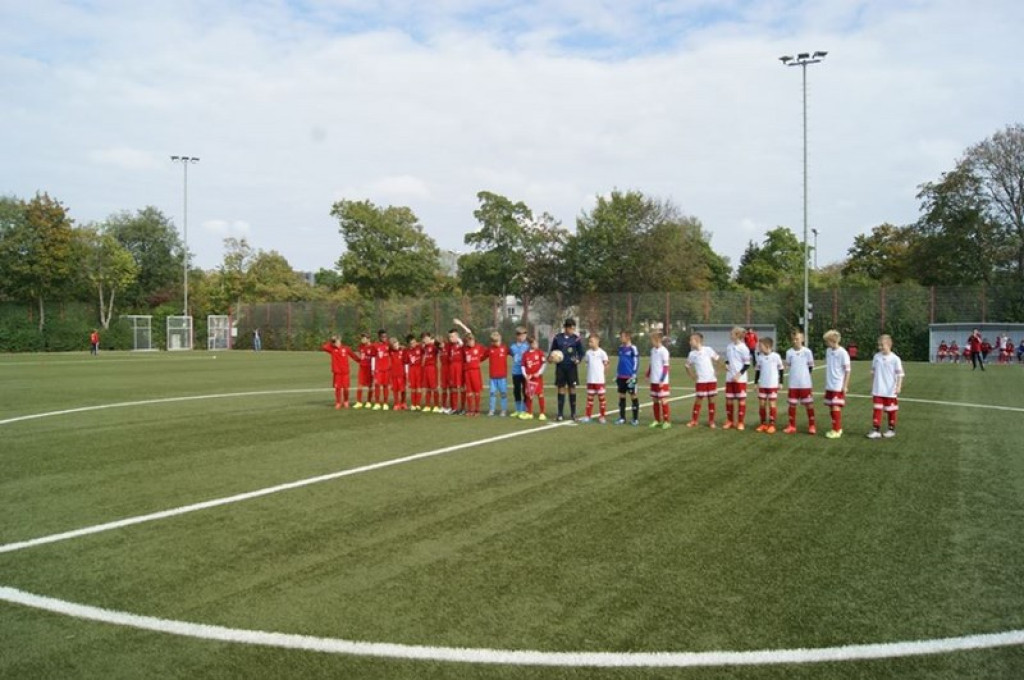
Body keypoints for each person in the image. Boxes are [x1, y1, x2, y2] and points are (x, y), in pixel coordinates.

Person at [867, 334, 904, 439]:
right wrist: (872, 385)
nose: (880, 347)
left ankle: (891, 429)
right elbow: (873, 372)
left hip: (890, 390)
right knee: (877, 409)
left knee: (891, 410)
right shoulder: (876, 357)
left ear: (889, 344)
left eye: (882, 345)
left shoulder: (895, 359)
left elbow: (900, 374)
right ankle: (876, 430)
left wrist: (898, 386)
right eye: (879, 345)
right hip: (878, 389)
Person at [550, 318, 585, 422]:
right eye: (571, 328)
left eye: (574, 328)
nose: (572, 330)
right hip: (560, 367)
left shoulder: (576, 339)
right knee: (561, 388)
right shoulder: (557, 338)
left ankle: (573, 413)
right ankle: (560, 414)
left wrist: (578, 359)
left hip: (571, 368)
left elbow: (581, 352)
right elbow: (552, 351)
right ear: (566, 327)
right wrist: (551, 358)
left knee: (572, 388)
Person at [784, 330, 816, 435]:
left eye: (797, 339)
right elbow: (788, 366)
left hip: (805, 384)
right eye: (793, 339)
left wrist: (805, 377)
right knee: (792, 405)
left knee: (809, 404)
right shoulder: (789, 352)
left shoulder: (807, 352)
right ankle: (792, 425)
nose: (795, 341)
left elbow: (811, 367)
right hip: (793, 384)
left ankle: (812, 425)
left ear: (802, 339)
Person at [685, 331, 719, 428]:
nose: (690, 342)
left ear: (697, 340)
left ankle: (711, 421)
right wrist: (692, 376)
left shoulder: (708, 350)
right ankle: (694, 420)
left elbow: (717, 359)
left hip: (711, 380)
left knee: (711, 400)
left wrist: (717, 370)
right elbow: (687, 366)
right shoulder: (691, 354)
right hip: (701, 381)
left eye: (691, 340)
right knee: (698, 400)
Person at [822, 329, 852, 439]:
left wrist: (845, 385)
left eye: (827, 341)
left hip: (837, 385)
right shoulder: (828, 351)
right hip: (829, 384)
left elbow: (848, 370)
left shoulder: (843, 353)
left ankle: (837, 429)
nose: (826, 344)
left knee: (835, 407)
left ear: (833, 341)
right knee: (831, 407)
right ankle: (835, 427)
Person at [723, 326, 752, 431]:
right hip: (730, 377)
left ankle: (740, 422)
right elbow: (727, 360)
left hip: (740, 379)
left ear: (737, 335)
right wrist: (726, 364)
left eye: (732, 333)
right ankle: (730, 421)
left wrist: (738, 375)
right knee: (729, 400)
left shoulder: (744, 348)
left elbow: (747, 364)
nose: (730, 335)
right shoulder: (729, 346)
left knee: (741, 400)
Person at [754, 337, 784, 434]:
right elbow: (757, 371)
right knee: (762, 404)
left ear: (767, 346)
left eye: (760, 346)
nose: (759, 347)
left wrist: (781, 382)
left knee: (772, 404)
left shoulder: (776, 356)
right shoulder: (760, 357)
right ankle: (763, 424)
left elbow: (781, 369)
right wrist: (755, 383)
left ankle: (771, 425)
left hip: (772, 385)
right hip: (763, 384)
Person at [580, 333, 610, 424]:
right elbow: (587, 363)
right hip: (590, 380)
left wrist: (603, 373)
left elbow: (607, 364)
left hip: (599, 380)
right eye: (589, 342)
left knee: (602, 399)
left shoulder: (602, 353)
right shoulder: (588, 353)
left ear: (597, 341)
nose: (590, 343)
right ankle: (588, 416)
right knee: (589, 399)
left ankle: (602, 416)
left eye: (591, 341)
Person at [321, 335, 355, 409]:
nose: (336, 343)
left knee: (346, 388)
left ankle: (346, 401)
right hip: (337, 373)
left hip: (345, 372)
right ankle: (338, 402)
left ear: (340, 341)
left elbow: (353, 356)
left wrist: (361, 361)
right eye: (335, 342)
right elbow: (323, 347)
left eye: (337, 341)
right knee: (338, 389)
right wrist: (331, 341)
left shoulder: (346, 348)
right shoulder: (332, 349)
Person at [647, 331, 672, 429]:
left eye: (652, 340)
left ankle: (666, 421)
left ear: (657, 340)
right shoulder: (652, 350)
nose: (651, 342)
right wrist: (648, 374)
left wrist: (662, 380)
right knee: (655, 400)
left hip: (662, 381)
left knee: (664, 400)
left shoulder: (664, 351)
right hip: (653, 380)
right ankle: (657, 420)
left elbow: (666, 367)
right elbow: (651, 363)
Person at [519, 335, 548, 421]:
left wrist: (538, 373)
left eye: (536, 342)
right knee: (529, 396)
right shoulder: (525, 354)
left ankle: (542, 413)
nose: (536, 344)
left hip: (537, 378)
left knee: (540, 394)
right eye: (534, 343)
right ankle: (530, 413)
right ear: (530, 344)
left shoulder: (539, 352)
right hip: (529, 378)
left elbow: (544, 364)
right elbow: (523, 366)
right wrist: (525, 375)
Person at [615, 330, 640, 426]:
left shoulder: (633, 348)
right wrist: (617, 373)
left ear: (628, 337)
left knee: (633, 395)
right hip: (621, 376)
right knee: (621, 396)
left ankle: (635, 419)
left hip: (630, 377)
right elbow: (620, 361)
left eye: (622, 337)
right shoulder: (620, 348)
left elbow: (636, 361)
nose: (621, 338)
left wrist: (633, 373)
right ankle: (622, 418)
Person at [461, 332, 487, 416]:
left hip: (475, 371)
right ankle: (470, 410)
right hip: (467, 372)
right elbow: (463, 359)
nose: (470, 343)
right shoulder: (464, 349)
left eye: (471, 340)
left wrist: (480, 360)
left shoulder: (479, 347)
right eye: (468, 341)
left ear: (474, 340)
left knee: (476, 391)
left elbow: (486, 353)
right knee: (469, 392)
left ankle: (477, 410)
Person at [486, 331, 510, 416]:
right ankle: (492, 409)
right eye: (494, 341)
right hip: (493, 377)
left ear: (500, 340)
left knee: (503, 393)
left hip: (502, 376)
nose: (496, 343)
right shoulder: (490, 349)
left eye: (497, 341)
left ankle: (503, 410)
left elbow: (514, 354)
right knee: (492, 393)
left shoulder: (505, 348)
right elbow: (482, 357)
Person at [509, 327, 530, 416]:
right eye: (519, 334)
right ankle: (518, 409)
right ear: (516, 336)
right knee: (516, 390)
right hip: (516, 372)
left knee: (525, 390)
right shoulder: (512, 347)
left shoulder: (528, 346)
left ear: (526, 335)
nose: (521, 337)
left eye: (523, 334)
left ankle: (525, 409)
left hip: (525, 373)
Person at [445, 327, 465, 414]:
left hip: (460, 368)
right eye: (450, 337)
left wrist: (460, 324)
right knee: (453, 388)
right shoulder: (450, 346)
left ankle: (463, 408)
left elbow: (469, 332)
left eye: (452, 336)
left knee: (460, 387)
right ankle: (454, 407)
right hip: (452, 368)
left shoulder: (462, 344)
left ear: (457, 336)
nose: (451, 338)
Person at [371, 329, 392, 410]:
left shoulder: (388, 345)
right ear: (379, 337)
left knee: (386, 386)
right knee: (377, 385)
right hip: (378, 370)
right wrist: (373, 369)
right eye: (383, 336)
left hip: (386, 369)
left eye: (386, 336)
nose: (385, 338)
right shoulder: (375, 345)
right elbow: (373, 357)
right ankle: (377, 403)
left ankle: (385, 403)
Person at [420, 332, 441, 412]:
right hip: (425, 369)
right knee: (427, 388)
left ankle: (436, 405)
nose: (425, 340)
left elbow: (439, 347)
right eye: (423, 338)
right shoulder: (424, 347)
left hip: (432, 368)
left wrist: (434, 342)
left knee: (434, 387)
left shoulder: (434, 347)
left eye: (426, 338)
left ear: (429, 338)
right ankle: (428, 405)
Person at [353, 333, 374, 408]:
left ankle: (369, 401)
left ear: (368, 339)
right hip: (362, 368)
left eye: (364, 338)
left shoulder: (373, 347)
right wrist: (361, 361)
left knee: (370, 385)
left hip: (369, 368)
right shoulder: (360, 346)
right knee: (359, 385)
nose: (362, 339)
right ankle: (359, 402)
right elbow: (361, 356)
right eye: (361, 338)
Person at [405, 334, 424, 410]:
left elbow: (426, 348)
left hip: (419, 369)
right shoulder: (407, 351)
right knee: (413, 387)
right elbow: (406, 362)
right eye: (412, 343)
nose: (414, 344)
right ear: (409, 344)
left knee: (419, 387)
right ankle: (413, 404)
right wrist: (407, 372)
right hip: (412, 369)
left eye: (414, 342)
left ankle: (418, 404)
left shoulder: (420, 348)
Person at [389, 337, 407, 410]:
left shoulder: (403, 350)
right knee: (395, 390)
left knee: (403, 389)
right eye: (393, 345)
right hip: (394, 374)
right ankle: (396, 404)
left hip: (402, 373)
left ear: (398, 343)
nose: (395, 345)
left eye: (396, 343)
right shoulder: (390, 351)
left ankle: (403, 403)